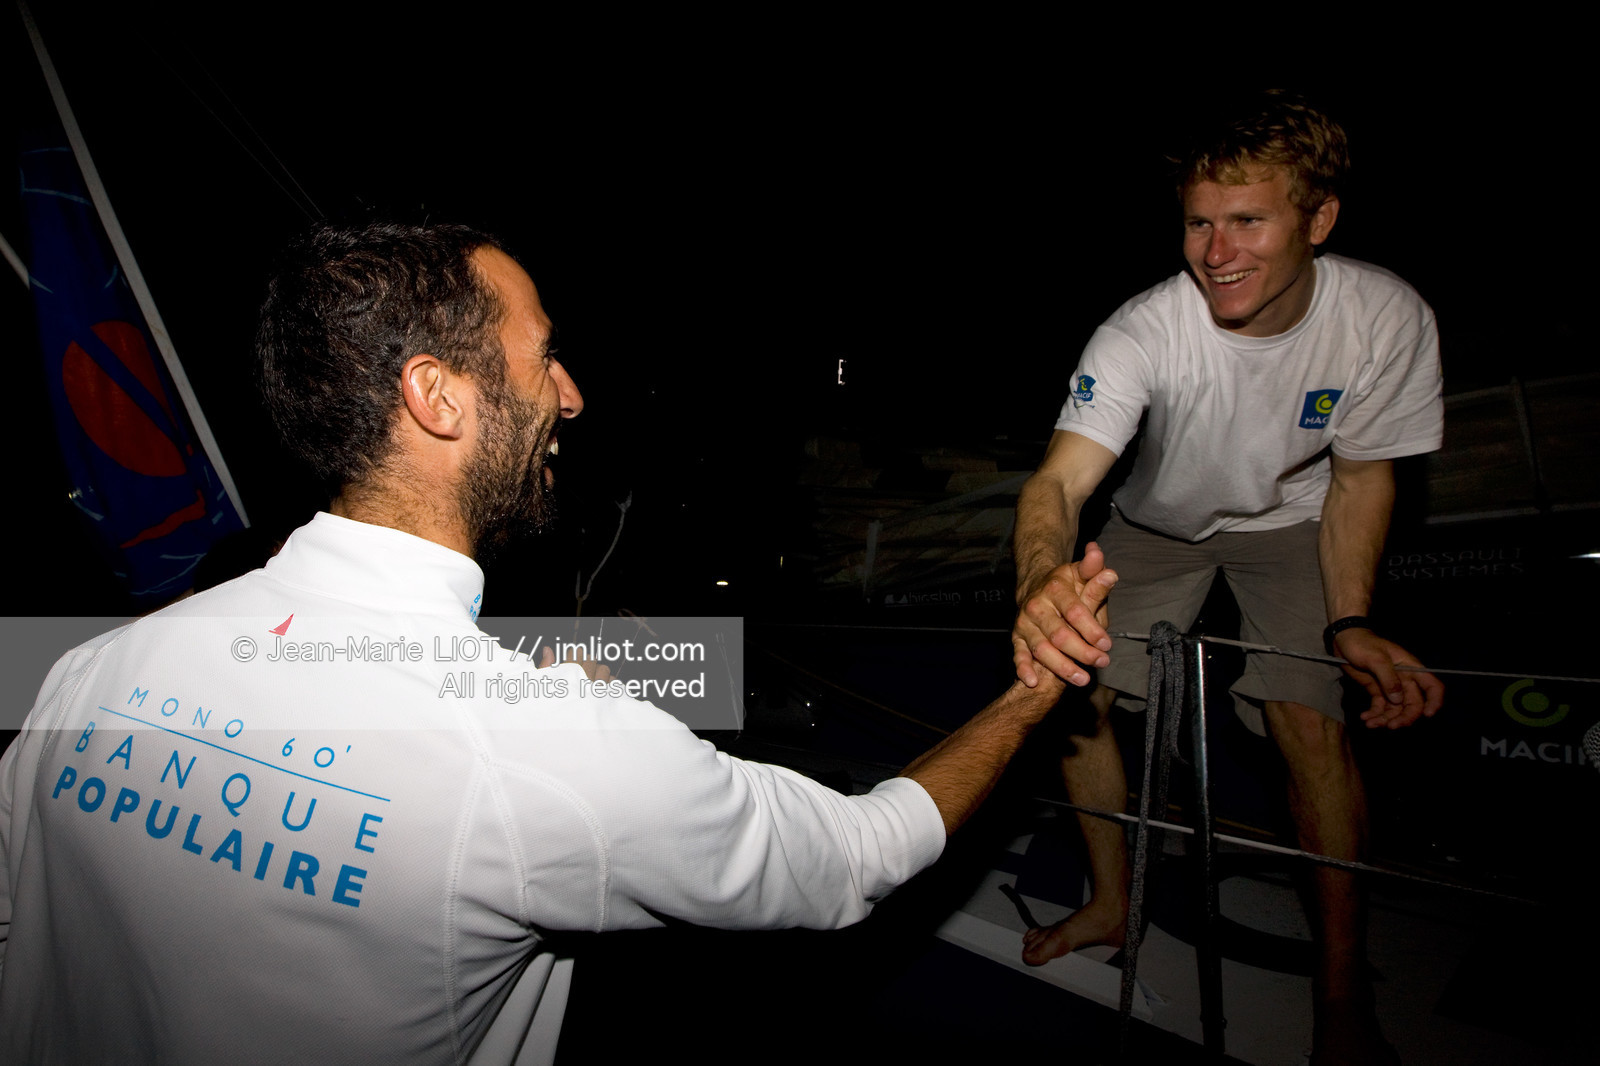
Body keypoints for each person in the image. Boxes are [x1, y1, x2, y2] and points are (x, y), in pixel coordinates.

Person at [0, 221, 1076, 1064]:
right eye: (544, 355)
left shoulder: (92, 670)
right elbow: (855, 857)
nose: (570, 394)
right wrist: (1028, 694)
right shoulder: (549, 749)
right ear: (437, 396)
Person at [1010, 93, 1444, 1065]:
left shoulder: (1384, 318)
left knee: (1309, 721)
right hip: (1157, 522)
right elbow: (1058, 481)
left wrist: (1352, 619)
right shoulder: (1143, 329)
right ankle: (1113, 903)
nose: (1217, 250)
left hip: (1294, 519)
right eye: (1199, 222)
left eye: (1247, 219)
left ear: (1318, 219)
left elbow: (1363, 477)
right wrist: (1042, 575)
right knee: (1071, 684)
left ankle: (1339, 997)